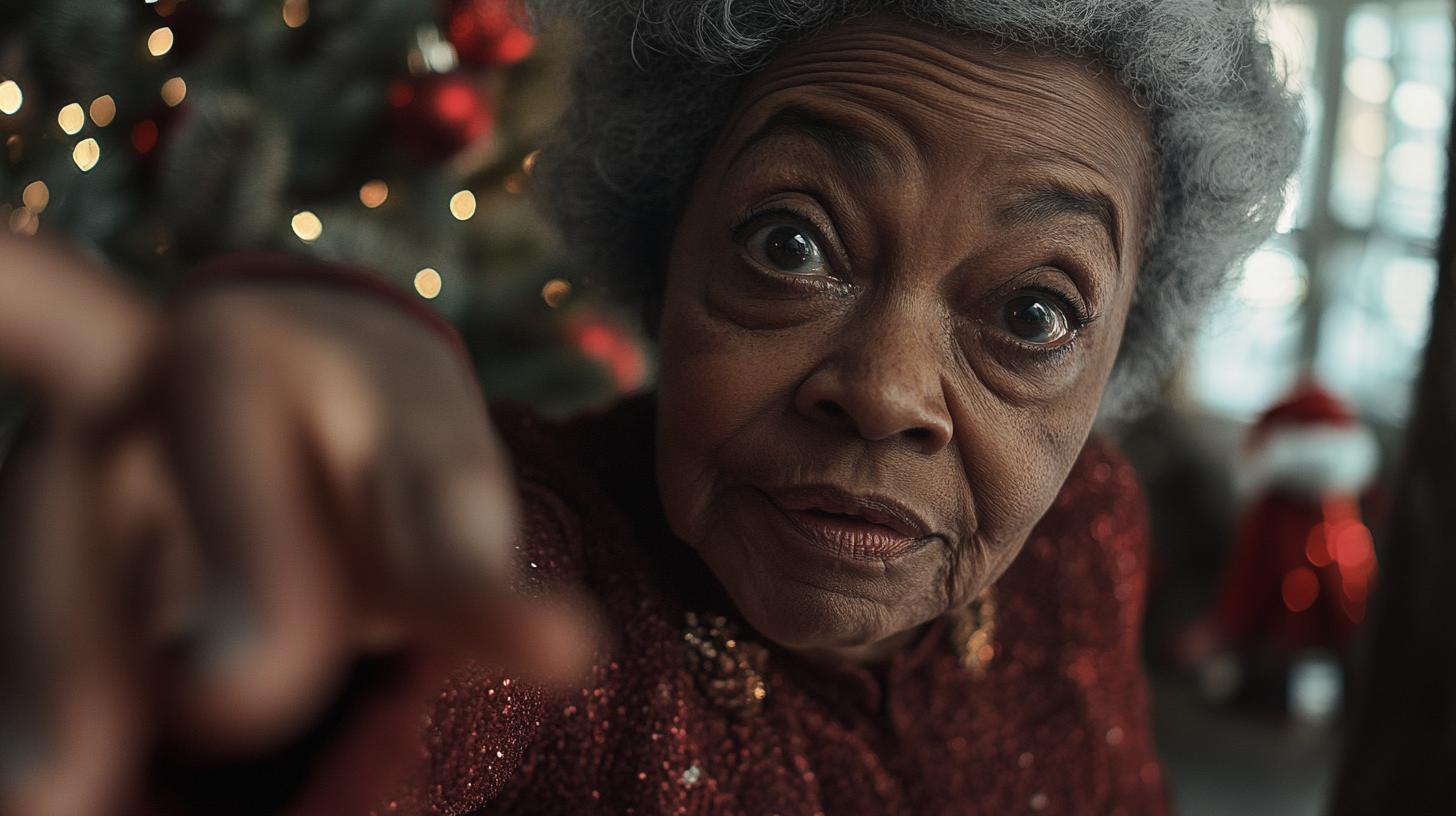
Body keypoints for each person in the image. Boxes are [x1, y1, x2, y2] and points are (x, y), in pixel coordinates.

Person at [0, 1, 1303, 814]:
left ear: (1117, 354)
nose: (887, 393)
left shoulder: (1085, 536)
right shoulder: (553, 599)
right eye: (792, 244)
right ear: (664, 245)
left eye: (1031, 316)